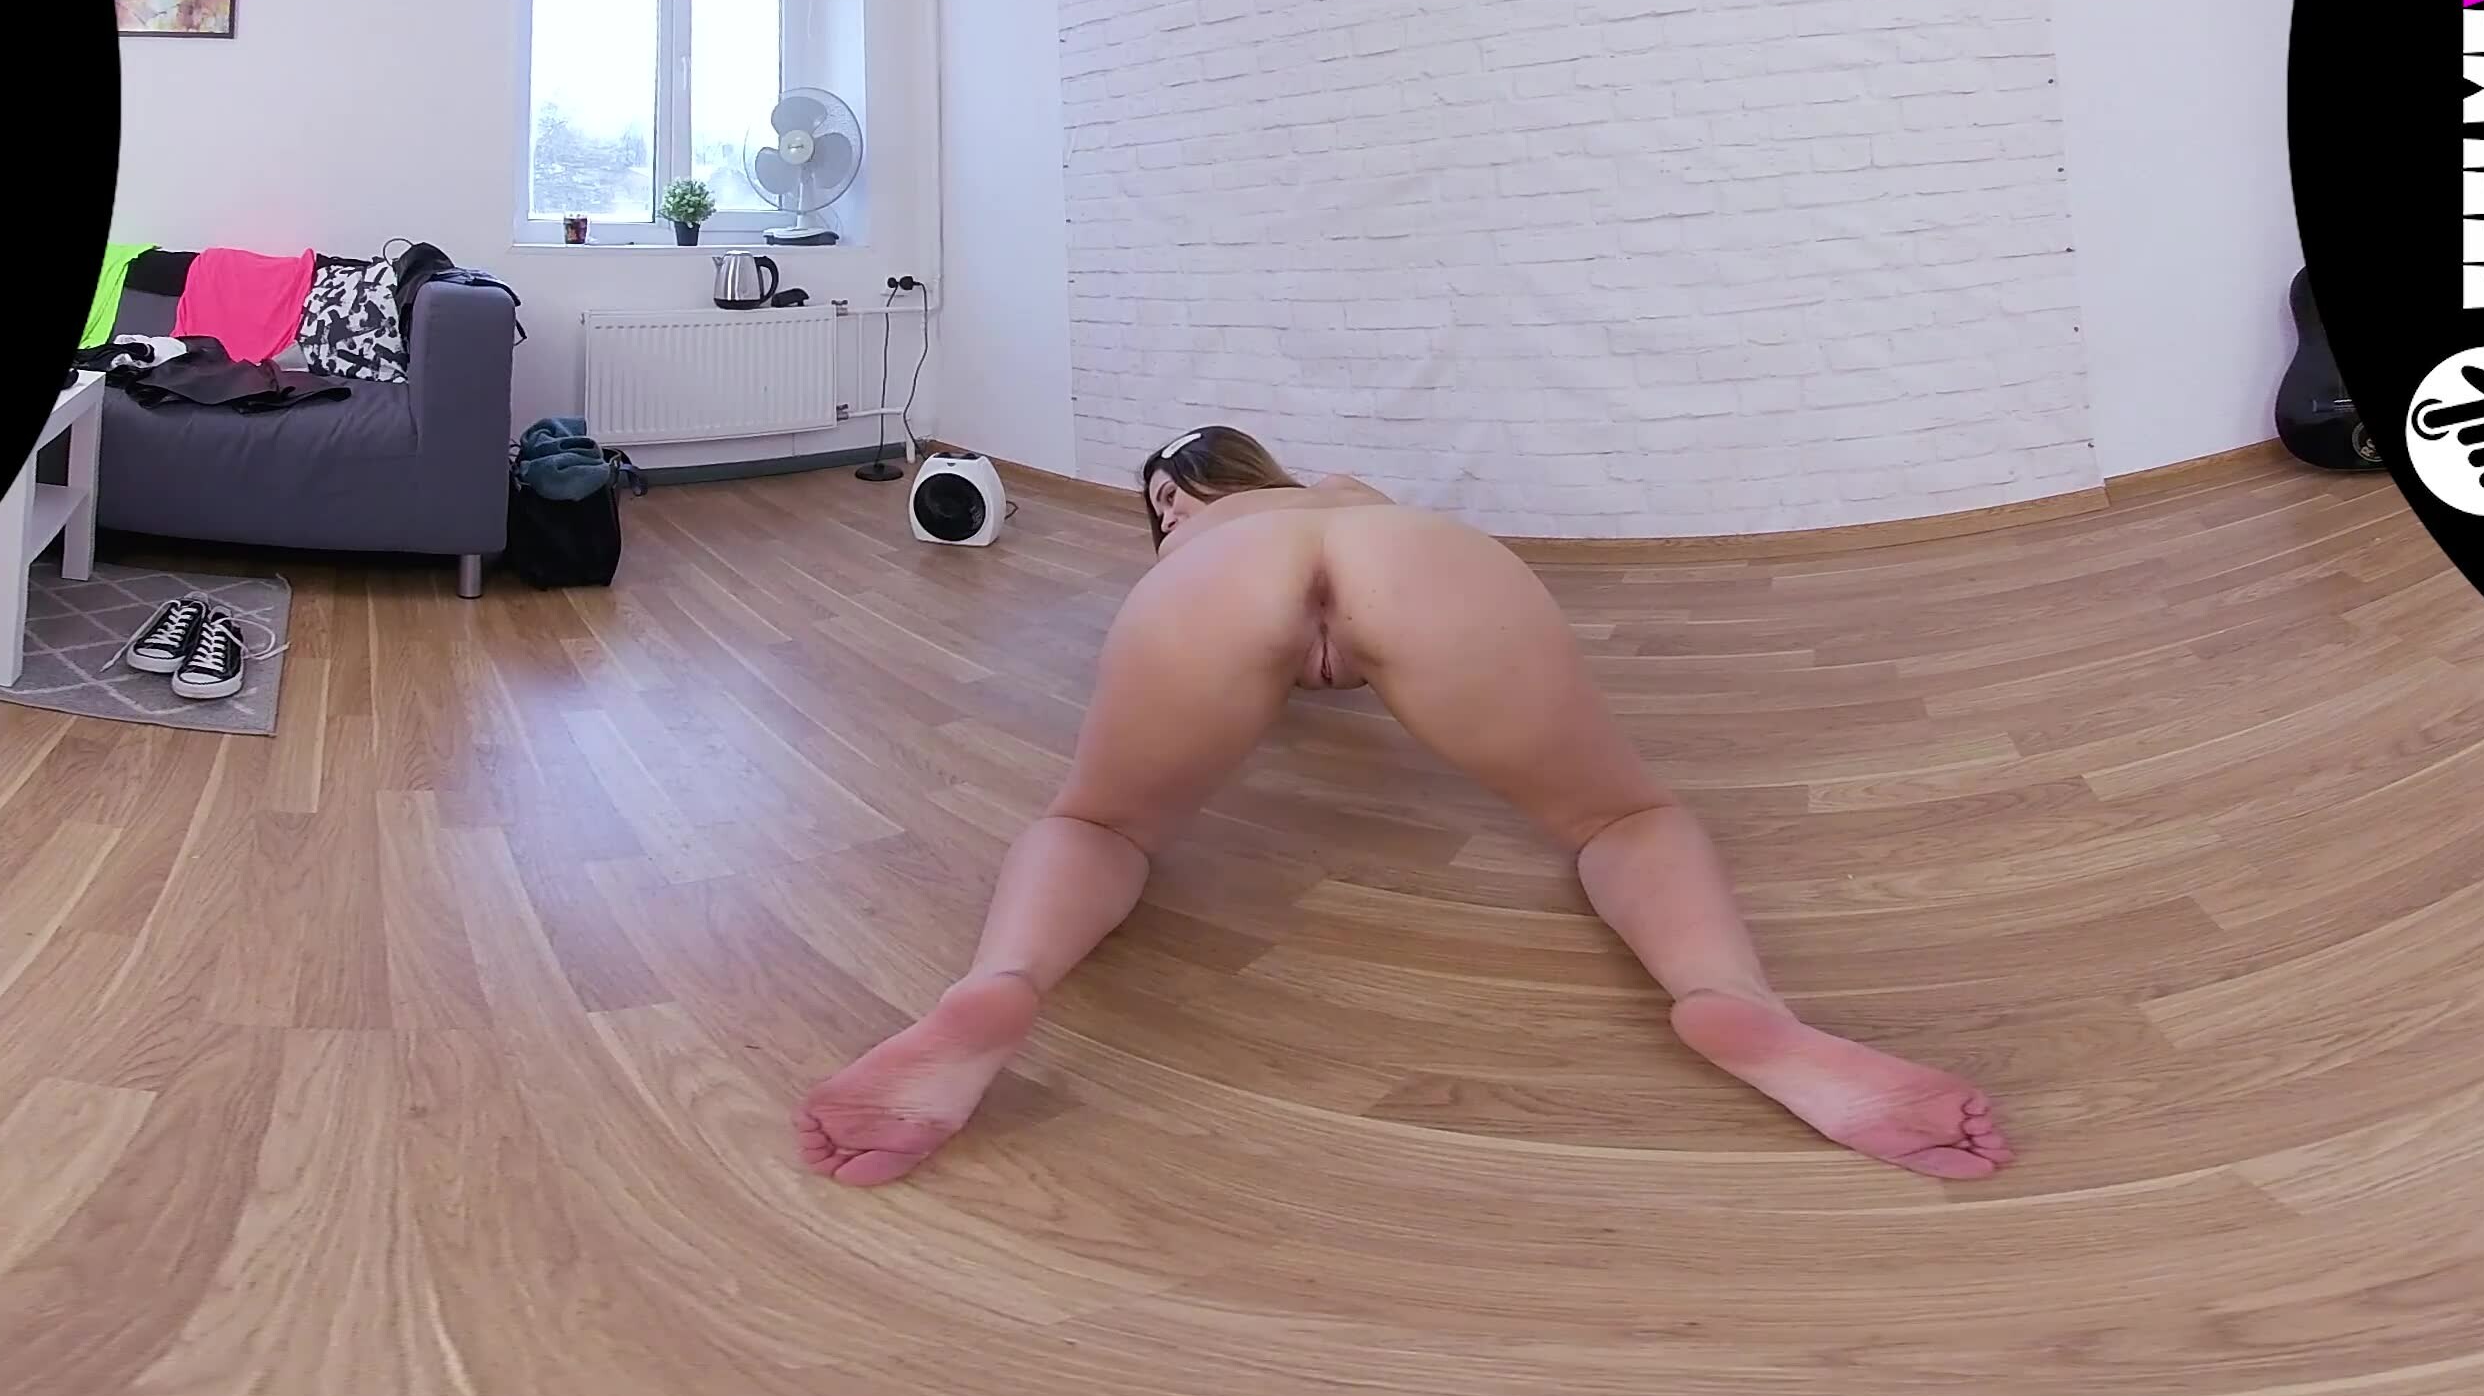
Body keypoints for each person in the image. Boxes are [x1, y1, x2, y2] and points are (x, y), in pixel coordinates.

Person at [794, 427, 2011, 1187]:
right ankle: (1735, 1000)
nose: (1164, 505)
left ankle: (998, 985)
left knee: (1097, 823)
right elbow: (1358, 561)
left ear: (1197, 491)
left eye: (1168, 492)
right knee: (1617, 816)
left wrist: (1196, 553)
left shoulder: (1203, 536)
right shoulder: (1343, 490)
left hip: (1222, 596)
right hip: (1416, 562)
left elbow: (1211, 603)